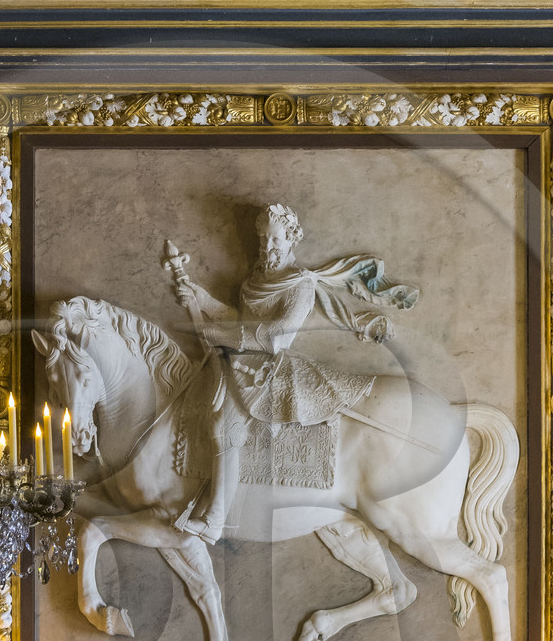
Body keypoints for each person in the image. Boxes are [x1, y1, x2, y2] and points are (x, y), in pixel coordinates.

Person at [164, 201, 418, 542]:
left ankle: (214, 520)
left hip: (271, 369)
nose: (267, 247)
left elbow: (276, 336)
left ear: (291, 239)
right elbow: (241, 321)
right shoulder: (254, 279)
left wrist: (216, 334)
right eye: (263, 240)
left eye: (276, 240)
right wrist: (201, 297)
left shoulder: (300, 284)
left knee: (225, 427)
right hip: (242, 364)